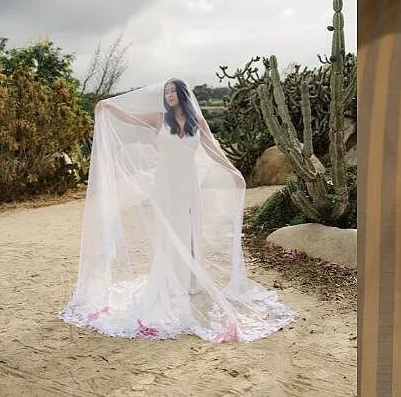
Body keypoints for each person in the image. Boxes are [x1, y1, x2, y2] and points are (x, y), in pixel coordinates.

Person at [61, 78, 297, 342]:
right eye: (167, 92)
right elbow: (129, 117)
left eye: (174, 91)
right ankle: (169, 279)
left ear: (183, 94)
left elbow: (212, 149)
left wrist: (233, 172)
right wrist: (106, 106)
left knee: (191, 228)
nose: (170, 95)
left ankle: (189, 281)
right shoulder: (158, 119)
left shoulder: (198, 121)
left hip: (189, 183)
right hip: (166, 184)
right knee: (170, 229)